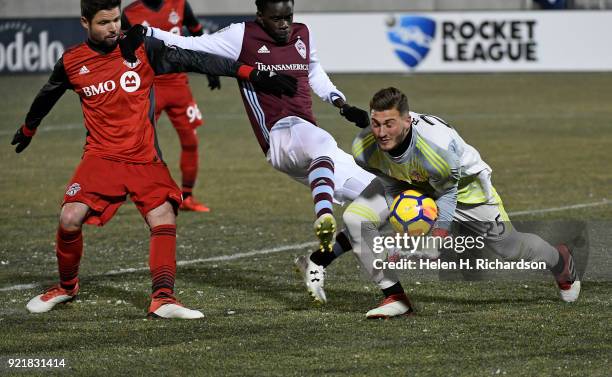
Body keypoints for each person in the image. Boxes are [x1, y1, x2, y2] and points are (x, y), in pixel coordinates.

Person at [11, 0, 296, 319]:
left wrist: (254, 74)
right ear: (85, 23)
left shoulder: (140, 47)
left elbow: (196, 60)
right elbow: (48, 93)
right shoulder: (73, 61)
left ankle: (163, 298)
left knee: (163, 216)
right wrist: (28, 128)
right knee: (69, 218)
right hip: (101, 157)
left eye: (116, 20)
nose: (114, 28)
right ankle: (66, 287)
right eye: (104, 23)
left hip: (144, 157)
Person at [122, 0, 378, 304]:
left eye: (288, 17)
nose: (283, 24)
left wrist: (341, 103)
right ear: (261, 16)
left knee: (379, 199)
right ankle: (323, 213)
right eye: (276, 18)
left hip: (308, 141)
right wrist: (147, 31)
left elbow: (313, 71)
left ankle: (316, 261)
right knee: (321, 142)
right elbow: (193, 44)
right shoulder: (241, 35)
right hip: (279, 136)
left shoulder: (302, 33)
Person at [342, 87, 580, 318]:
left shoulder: (436, 150)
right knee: (355, 220)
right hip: (411, 181)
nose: (381, 132)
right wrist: (403, 215)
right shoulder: (363, 150)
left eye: (389, 124)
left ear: (406, 121)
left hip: (465, 189)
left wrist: (435, 239)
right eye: (376, 124)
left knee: (508, 247)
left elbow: (447, 193)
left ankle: (560, 260)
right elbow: (391, 182)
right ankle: (395, 297)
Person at [122, 0, 218, 212]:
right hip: (149, 86)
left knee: (191, 140)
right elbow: (121, 51)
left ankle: (188, 196)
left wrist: (210, 67)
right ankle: (122, 190)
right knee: (135, 142)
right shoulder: (130, 13)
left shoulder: (181, 4)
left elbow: (197, 33)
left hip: (178, 84)